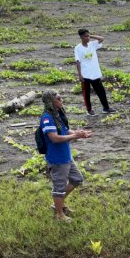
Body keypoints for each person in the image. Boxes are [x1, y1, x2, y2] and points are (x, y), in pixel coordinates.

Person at [39, 89, 91, 221]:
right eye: (59, 98)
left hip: (66, 155)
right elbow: (54, 138)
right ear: (51, 101)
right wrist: (75, 136)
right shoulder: (47, 117)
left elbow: (65, 130)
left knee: (77, 179)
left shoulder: (56, 114)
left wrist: (78, 133)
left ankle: (58, 205)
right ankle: (59, 214)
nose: (62, 100)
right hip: (57, 158)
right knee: (59, 187)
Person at [74, 28, 112, 115]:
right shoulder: (78, 48)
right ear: (81, 37)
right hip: (85, 75)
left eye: (88, 36)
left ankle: (106, 108)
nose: (88, 38)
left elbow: (101, 38)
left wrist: (90, 35)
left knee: (101, 92)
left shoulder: (92, 44)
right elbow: (77, 62)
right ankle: (89, 110)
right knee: (86, 94)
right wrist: (80, 75)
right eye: (85, 36)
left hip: (95, 73)